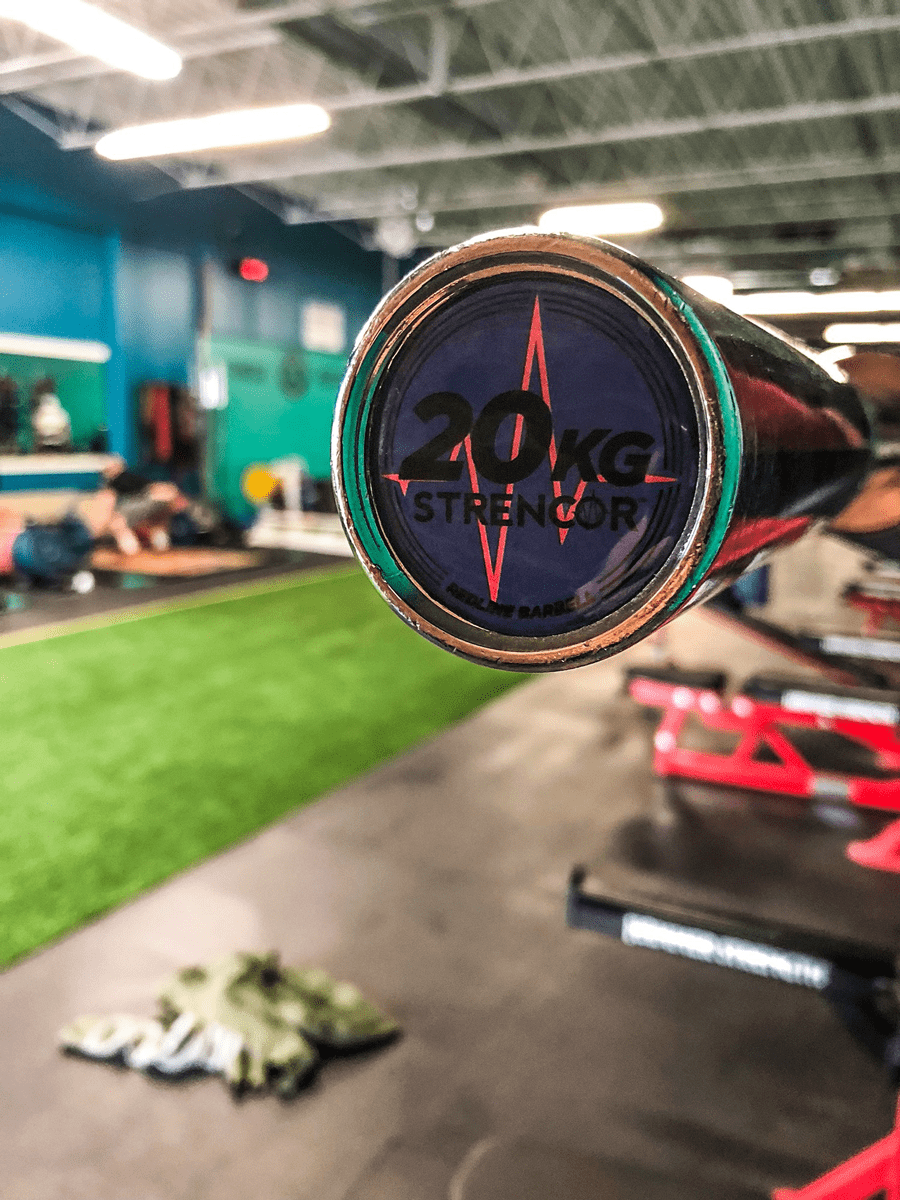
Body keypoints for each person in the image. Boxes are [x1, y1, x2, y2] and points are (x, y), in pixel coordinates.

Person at [0, 490, 139, 587]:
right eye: (100, 502)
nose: (100, 507)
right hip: (25, 549)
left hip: (26, 557)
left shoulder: (88, 534)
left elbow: (131, 550)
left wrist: (119, 528)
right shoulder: (74, 523)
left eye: (107, 506)